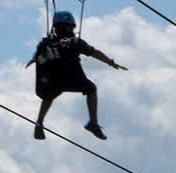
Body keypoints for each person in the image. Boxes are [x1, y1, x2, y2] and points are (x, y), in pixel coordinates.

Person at [26, 11, 128, 141]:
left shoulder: (47, 43)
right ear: (69, 27)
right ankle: (93, 123)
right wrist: (111, 62)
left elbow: (39, 55)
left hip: (54, 81)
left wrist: (34, 59)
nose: (71, 29)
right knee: (91, 89)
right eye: (70, 27)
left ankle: (39, 122)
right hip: (72, 78)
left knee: (48, 96)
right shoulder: (75, 42)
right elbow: (95, 53)